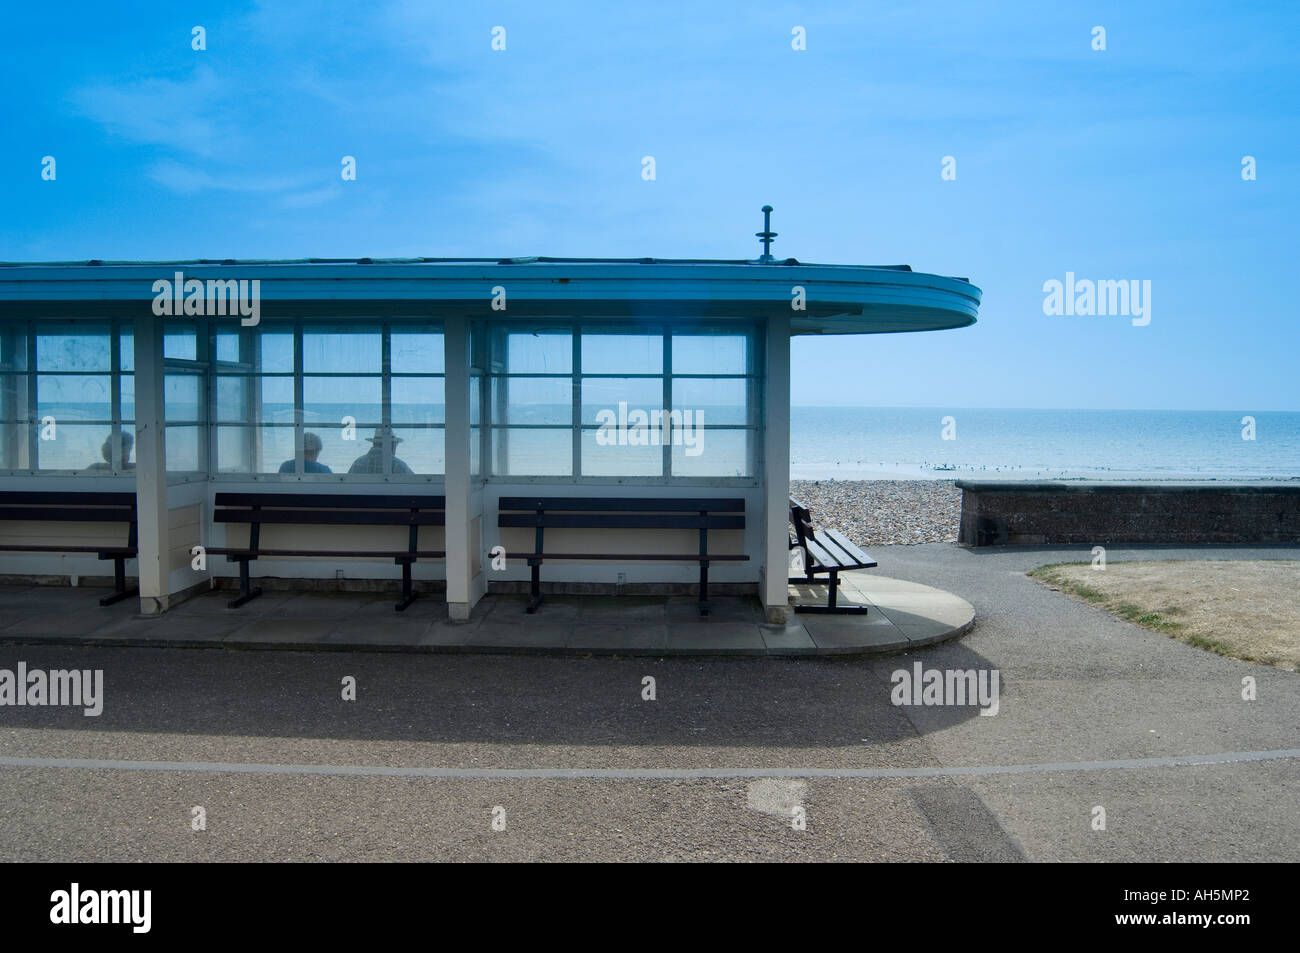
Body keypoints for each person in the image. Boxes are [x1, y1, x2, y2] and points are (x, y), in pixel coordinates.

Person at [348, 426, 413, 474]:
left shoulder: (358, 463)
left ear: (374, 443)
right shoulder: (398, 465)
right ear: (392, 445)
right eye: (396, 444)